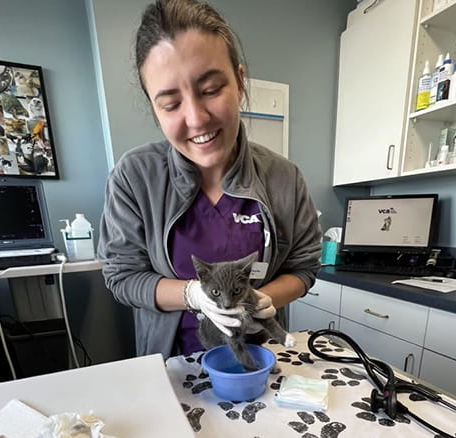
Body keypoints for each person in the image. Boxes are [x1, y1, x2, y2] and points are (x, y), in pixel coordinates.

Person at [98, 0, 321, 359]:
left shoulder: (284, 178)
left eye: (211, 89)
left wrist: (265, 299)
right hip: (170, 364)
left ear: (240, 81)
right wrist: (192, 296)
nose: (197, 119)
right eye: (171, 104)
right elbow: (122, 277)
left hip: (262, 360)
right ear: (154, 109)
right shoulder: (134, 177)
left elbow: (305, 266)